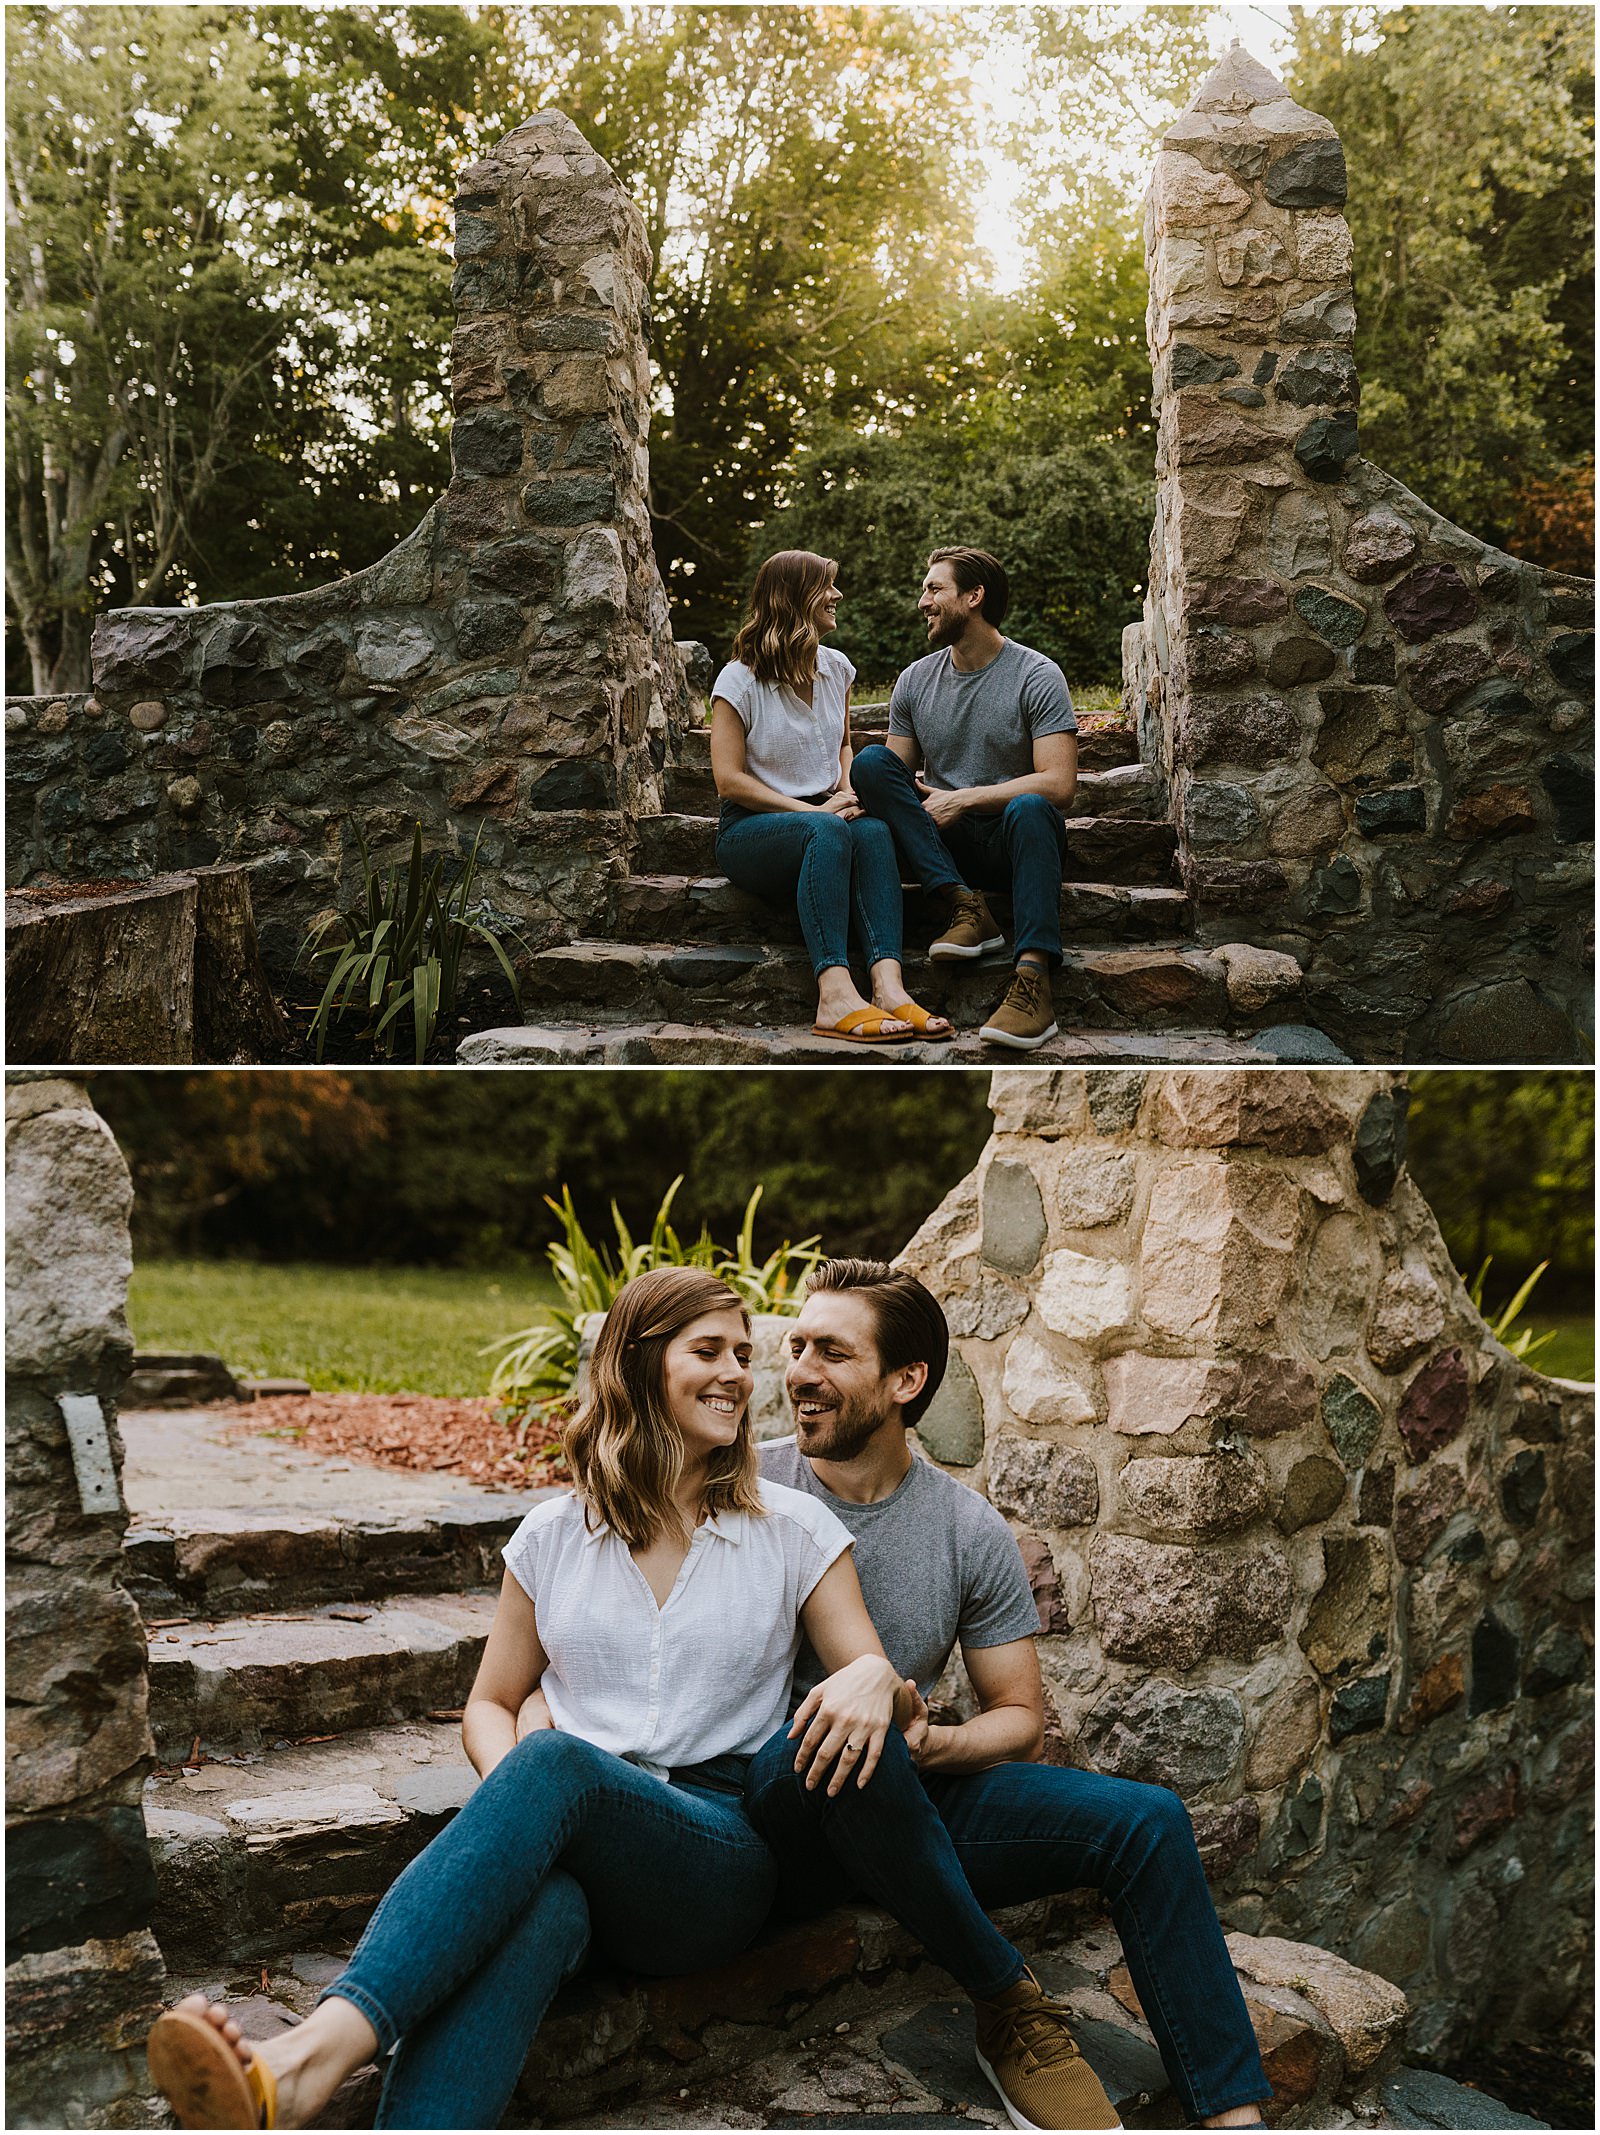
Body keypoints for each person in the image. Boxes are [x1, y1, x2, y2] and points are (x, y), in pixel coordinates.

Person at [146, 1267, 913, 2130]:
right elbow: (491, 1702)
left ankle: (308, 2054)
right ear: (637, 1362)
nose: (738, 1372)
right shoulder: (554, 1533)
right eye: (709, 1350)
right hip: (572, 1838)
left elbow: (869, 1683)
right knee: (542, 1906)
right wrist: (527, 1810)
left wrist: (878, 1677)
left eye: (743, 1353)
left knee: (553, 1762)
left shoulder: (792, 1528)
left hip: (715, 1855)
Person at [749, 1258, 1273, 2134]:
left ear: (906, 1379)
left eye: (832, 1352)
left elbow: (1020, 1721)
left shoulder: (967, 1528)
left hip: (909, 1789)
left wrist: (936, 1746)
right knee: (847, 1728)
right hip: (782, 1800)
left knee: (1148, 1821)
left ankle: (1235, 2113)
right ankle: (1009, 2003)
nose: (799, 1369)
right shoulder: (746, 1488)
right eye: (796, 1345)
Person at [711, 548, 952, 1044]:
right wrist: (814, 811)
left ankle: (889, 986)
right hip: (752, 828)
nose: (838, 595)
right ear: (795, 598)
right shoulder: (738, 679)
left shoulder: (836, 668)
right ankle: (834, 993)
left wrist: (845, 792)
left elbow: (843, 744)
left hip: (823, 814)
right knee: (827, 828)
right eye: (827, 586)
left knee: (873, 828)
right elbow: (728, 780)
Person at [849, 547, 1078, 1053]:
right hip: (942, 848)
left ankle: (1034, 980)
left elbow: (1060, 783)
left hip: (1009, 840)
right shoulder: (914, 680)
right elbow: (894, 776)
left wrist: (968, 798)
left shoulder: (1036, 675)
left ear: (974, 597)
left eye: (934, 589)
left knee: (1034, 806)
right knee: (868, 764)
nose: (921, 601)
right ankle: (962, 903)